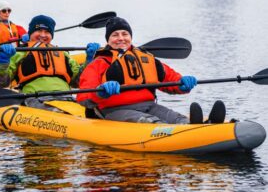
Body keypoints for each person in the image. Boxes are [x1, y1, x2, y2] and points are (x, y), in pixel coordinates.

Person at [77, 17, 226, 124]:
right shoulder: (99, 62)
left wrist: (182, 83)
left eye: (125, 34)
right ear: (108, 40)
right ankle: (181, 133)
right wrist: (100, 92)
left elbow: (169, 78)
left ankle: (200, 125)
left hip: (149, 105)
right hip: (114, 110)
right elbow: (83, 97)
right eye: (115, 35)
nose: (120, 38)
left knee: (176, 118)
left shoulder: (145, 58)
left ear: (130, 37)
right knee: (150, 123)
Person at [0, 14, 100, 111]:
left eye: (47, 32)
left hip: (66, 99)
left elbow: (79, 82)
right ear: (30, 33)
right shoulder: (20, 53)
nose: (43, 35)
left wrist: (89, 60)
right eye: (39, 31)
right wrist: (3, 60)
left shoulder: (62, 54)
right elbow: (0, 83)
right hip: (36, 99)